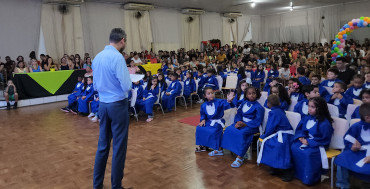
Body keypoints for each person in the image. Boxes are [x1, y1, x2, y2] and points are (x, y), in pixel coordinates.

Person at [92, 28, 132, 189]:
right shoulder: (117, 57)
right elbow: (126, 85)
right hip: (117, 105)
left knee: (102, 146)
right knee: (119, 147)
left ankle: (97, 185)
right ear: (122, 40)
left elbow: (95, 84)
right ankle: (116, 186)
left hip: (103, 104)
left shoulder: (98, 57)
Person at [291, 97, 334, 185]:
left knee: (308, 153)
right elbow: (300, 130)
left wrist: (309, 142)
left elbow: (325, 140)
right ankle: (297, 173)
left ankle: (309, 178)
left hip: (318, 144)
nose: (309, 109)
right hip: (307, 140)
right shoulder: (307, 118)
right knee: (294, 147)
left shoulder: (325, 124)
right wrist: (301, 137)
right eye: (308, 106)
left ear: (320, 109)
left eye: (312, 107)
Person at [221, 86, 265, 168]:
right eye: (249, 94)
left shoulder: (259, 107)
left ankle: (240, 157)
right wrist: (238, 122)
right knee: (229, 129)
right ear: (246, 95)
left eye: (253, 93)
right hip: (241, 122)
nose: (252, 95)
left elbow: (258, 121)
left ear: (257, 94)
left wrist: (245, 124)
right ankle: (231, 149)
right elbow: (239, 114)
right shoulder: (244, 103)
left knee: (242, 133)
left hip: (252, 125)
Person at [257, 95, 294, 182]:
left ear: (268, 104)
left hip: (285, 135)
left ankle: (287, 171)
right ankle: (275, 167)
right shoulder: (280, 110)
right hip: (283, 134)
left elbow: (271, 127)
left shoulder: (273, 112)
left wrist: (264, 135)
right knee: (268, 143)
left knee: (277, 145)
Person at [335, 103, 370, 189]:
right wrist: (352, 147)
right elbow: (347, 139)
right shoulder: (356, 127)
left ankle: (367, 183)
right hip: (358, 151)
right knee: (342, 158)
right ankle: (343, 184)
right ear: (367, 117)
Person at [195, 87, 234, 152]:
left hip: (218, 121)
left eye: (212, 93)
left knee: (213, 131)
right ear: (205, 96)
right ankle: (203, 145)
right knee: (199, 128)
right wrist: (203, 119)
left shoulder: (219, 101)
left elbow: (226, 104)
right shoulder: (203, 105)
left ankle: (217, 147)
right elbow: (203, 114)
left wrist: (229, 101)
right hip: (209, 121)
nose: (211, 94)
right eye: (208, 94)